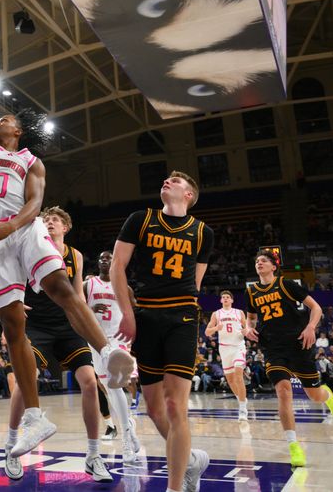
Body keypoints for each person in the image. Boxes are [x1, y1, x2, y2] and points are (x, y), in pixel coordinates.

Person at [0, 35, 134, 458]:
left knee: (62, 289)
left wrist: (13, 224)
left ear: (19, 130)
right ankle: (34, 417)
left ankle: (109, 354)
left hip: (24, 229)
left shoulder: (32, 160)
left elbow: (34, 205)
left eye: (5, 120)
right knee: (12, 327)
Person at [111, 171, 214, 492]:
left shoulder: (202, 233)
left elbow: (195, 284)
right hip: (146, 316)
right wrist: (127, 313)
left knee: (174, 405)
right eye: (166, 179)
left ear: (189, 195)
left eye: (176, 181)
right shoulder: (140, 220)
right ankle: (192, 460)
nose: (167, 181)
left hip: (182, 315)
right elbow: (117, 266)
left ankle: (175, 487)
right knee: (154, 409)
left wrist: (188, 312)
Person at [5, 209, 115, 482]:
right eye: (46, 219)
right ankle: (10, 447)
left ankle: (93, 455)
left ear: (66, 227)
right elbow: (8, 280)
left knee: (90, 381)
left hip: (67, 326)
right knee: (25, 378)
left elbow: (77, 296)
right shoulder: (28, 247)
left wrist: (89, 323)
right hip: (37, 325)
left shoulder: (75, 256)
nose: (50, 222)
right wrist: (14, 304)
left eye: (56, 220)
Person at [244, 250, 333, 467]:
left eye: (263, 261)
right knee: (283, 391)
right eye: (257, 261)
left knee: (314, 396)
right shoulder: (252, 292)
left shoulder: (287, 285)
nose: (259, 263)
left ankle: (327, 395)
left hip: (299, 343)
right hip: (273, 347)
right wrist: (247, 328)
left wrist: (310, 327)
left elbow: (316, 307)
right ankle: (293, 445)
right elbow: (250, 318)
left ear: (273, 266)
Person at [85, 250, 142, 463]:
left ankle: (126, 440)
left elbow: (136, 310)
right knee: (109, 388)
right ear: (98, 263)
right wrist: (90, 307)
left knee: (115, 385)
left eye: (109, 259)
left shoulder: (123, 287)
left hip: (118, 339)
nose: (104, 261)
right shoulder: (87, 285)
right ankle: (130, 429)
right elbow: (76, 309)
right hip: (96, 340)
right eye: (101, 258)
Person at [205, 290, 249, 420]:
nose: (225, 299)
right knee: (230, 380)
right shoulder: (216, 314)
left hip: (238, 347)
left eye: (227, 297)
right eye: (223, 297)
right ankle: (242, 398)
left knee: (238, 374)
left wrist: (246, 331)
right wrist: (215, 329)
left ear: (232, 300)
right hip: (224, 349)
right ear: (220, 300)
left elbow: (247, 328)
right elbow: (207, 332)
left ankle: (242, 409)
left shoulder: (239, 312)